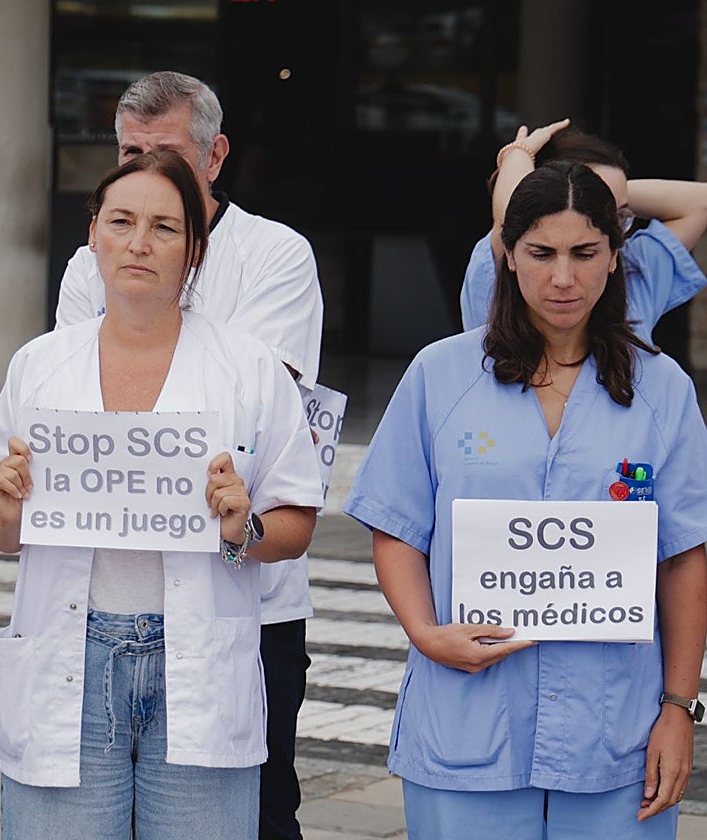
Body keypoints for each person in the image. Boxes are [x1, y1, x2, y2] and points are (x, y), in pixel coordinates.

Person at [0, 149, 323, 839]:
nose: (138, 243)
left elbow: (296, 522)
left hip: (198, 664)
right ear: (93, 235)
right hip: (70, 656)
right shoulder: (40, 364)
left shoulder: (249, 368)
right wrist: (3, 508)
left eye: (164, 227)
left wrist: (243, 527)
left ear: (195, 250)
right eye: (121, 221)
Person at [344, 161, 707, 839]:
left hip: (616, 735)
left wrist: (678, 707)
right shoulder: (441, 374)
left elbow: (684, 555)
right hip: (467, 720)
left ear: (615, 257)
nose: (563, 277)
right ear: (508, 255)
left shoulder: (663, 390)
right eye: (541, 253)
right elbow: (397, 525)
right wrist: (425, 633)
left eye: (584, 253)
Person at [54, 70, 324, 840]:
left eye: (166, 154)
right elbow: (70, 414)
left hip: (248, 592)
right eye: (128, 153)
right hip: (107, 595)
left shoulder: (274, 254)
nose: (146, 169)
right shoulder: (85, 266)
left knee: (257, 811)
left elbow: (252, 411)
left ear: (215, 156)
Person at [459, 120, 707, 339]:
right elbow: (509, 214)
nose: (563, 279)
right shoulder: (502, 269)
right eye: (542, 254)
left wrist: (609, 195)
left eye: (618, 215)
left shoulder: (632, 269)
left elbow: (700, 202)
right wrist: (520, 155)